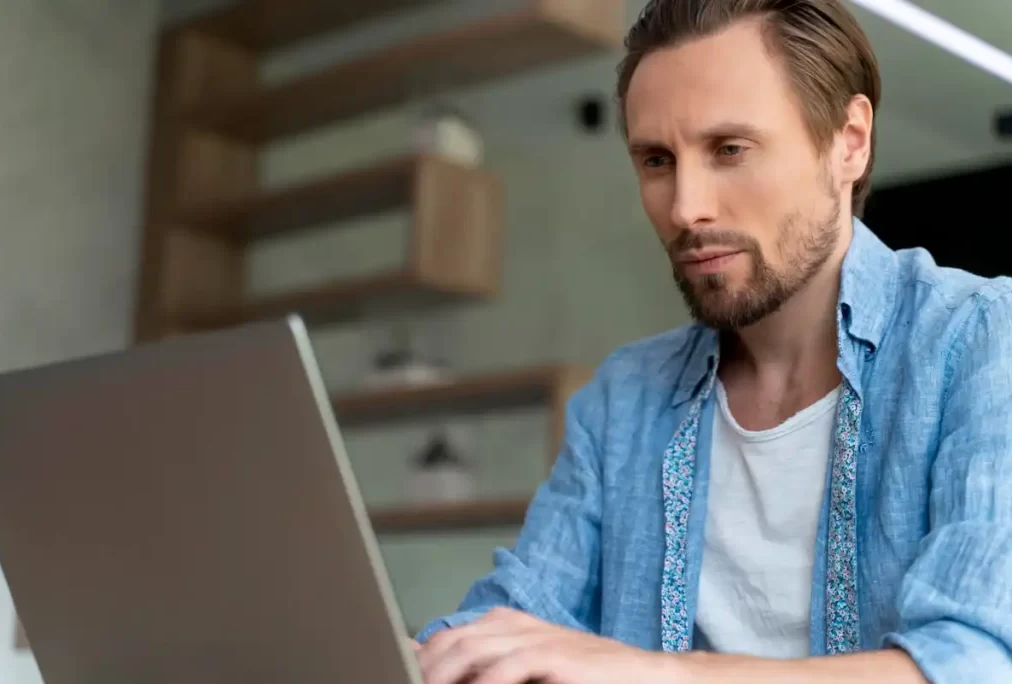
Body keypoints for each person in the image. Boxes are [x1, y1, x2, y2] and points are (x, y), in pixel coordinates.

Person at [410, 0, 1012, 682]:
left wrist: (658, 673)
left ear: (849, 141)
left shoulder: (980, 339)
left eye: (730, 149)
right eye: (657, 160)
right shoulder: (625, 398)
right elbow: (520, 614)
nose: (685, 207)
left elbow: (975, 661)